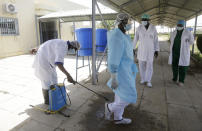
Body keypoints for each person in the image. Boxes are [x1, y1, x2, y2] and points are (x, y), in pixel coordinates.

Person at [105, 13, 138, 124]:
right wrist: (114, 76)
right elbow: (113, 58)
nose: (130, 25)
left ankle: (118, 117)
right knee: (127, 96)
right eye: (128, 22)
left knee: (120, 95)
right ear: (122, 23)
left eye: (130, 23)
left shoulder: (123, 35)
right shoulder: (116, 36)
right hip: (121, 72)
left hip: (126, 70)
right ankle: (109, 108)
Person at [32, 39, 80, 105]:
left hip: (48, 61)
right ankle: (47, 101)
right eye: (75, 50)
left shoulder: (62, 42)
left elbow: (47, 44)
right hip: (43, 61)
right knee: (46, 81)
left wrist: (36, 48)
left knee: (54, 79)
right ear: (72, 47)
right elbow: (59, 63)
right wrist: (68, 76)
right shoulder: (63, 47)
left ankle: (53, 96)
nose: (74, 52)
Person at [133, 14, 159, 87]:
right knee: (141, 65)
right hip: (141, 50)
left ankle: (148, 80)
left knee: (149, 66)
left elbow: (156, 39)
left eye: (145, 20)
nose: (143, 21)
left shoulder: (153, 28)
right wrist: (133, 48)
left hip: (151, 50)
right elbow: (135, 38)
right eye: (142, 20)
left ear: (148, 20)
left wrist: (156, 50)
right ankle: (143, 79)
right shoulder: (139, 28)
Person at [168, 20, 194, 86]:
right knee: (174, 66)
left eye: (180, 25)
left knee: (183, 67)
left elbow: (192, 41)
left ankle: (181, 81)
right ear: (177, 25)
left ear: (183, 26)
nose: (179, 26)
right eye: (178, 25)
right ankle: (174, 78)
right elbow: (171, 40)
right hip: (174, 52)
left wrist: (186, 43)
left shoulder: (187, 32)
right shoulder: (174, 32)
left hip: (183, 53)